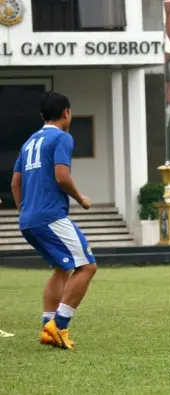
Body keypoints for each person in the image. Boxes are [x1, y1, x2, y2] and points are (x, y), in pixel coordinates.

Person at [11, 91, 96, 350]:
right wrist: (80, 197)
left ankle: (48, 326)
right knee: (87, 266)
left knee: (62, 269)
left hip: (28, 219)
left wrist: (25, 210)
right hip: (50, 216)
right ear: (66, 113)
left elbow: (16, 182)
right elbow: (61, 176)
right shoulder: (62, 137)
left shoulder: (29, 142)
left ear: (41, 115)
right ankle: (58, 326)